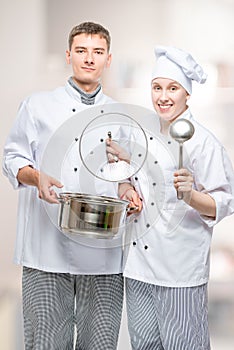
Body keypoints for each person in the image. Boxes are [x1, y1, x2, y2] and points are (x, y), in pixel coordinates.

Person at [2, 22, 124, 350]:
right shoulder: (37, 105)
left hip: (102, 252)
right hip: (46, 248)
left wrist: (129, 190)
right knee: (44, 344)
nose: (89, 59)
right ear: (69, 55)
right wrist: (35, 176)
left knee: (99, 343)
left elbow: (126, 172)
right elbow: (11, 159)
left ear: (108, 59)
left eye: (97, 52)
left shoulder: (118, 114)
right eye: (82, 51)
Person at [117, 46, 234, 349]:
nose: (163, 96)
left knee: (185, 345)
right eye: (157, 87)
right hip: (139, 267)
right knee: (143, 345)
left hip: (180, 271)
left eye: (172, 88)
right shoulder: (142, 134)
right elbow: (130, 179)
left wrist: (191, 196)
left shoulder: (203, 142)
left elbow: (224, 201)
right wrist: (128, 191)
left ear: (187, 94)